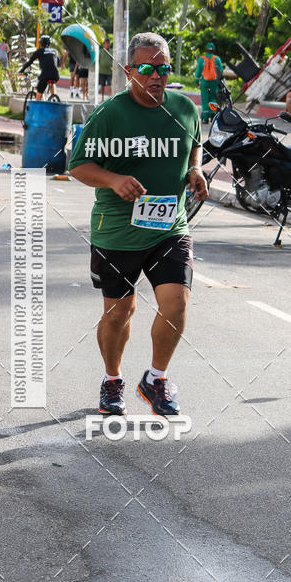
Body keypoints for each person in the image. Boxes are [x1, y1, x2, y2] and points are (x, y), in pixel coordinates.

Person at [68, 32, 208, 417]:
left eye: (163, 68)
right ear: (129, 71)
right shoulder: (110, 114)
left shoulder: (184, 108)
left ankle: (156, 378)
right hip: (117, 232)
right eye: (147, 69)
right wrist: (113, 180)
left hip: (169, 228)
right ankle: (112, 379)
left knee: (176, 302)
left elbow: (194, 142)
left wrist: (195, 169)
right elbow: (78, 165)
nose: (156, 76)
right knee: (119, 313)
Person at [19, 35, 60, 100]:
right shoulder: (55, 51)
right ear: (50, 44)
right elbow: (58, 63)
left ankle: (38, 106)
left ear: (41, 44)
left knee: (39, 93)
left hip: (45, 75)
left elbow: (30, 62)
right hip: (56, 75)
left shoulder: (40, 51)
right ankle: (54, 98)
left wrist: (22, 69)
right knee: (52, 82)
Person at [195, 41, 223, 123]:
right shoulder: (217, 59)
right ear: (213, 50)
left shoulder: (201, 59)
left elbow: (198, 72)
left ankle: (205, 118)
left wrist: (196, 81)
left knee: (205, 99)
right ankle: (213, 113)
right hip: (214, 82)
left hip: (205, 82)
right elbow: (221, 71)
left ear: (206, 50)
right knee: (213, 97)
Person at [98, 37, 112, 102]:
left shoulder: (111, 51)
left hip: (109, 71)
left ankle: (110, 98)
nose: (107, 45)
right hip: (102, 71)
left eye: (108, 43)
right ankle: (102, 98)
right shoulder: (100, 51)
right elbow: (98, 60)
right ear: (104, 44)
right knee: (102, 85)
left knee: (109, 84)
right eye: (106, 43)